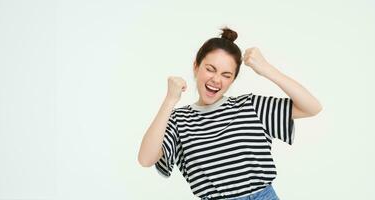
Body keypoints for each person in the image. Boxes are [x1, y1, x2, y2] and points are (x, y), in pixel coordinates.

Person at [138, 27, 323, 200]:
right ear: (196, 66)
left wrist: (267, 69)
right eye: (210, 69)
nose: (216, 79)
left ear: (233, 80)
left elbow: (312, 107)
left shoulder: (250, 106)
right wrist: (170, 100)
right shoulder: (179, 120)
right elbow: (145, 159)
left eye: (227, 75)